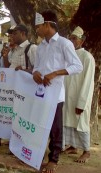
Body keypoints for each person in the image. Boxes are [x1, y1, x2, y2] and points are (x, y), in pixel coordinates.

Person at [33, 10, 83, 173]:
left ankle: (53, 159)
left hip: (56, 94)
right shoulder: (40, 47)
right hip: (40, 92)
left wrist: (55, 73)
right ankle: (38, 154)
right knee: (40, 125)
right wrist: (35, 74)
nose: (37, 30)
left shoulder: (64, 43)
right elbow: (36, 67)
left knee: (55, 128)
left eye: (38, 26)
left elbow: (77, 66)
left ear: (47, 25)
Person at [63, 26, 95, 163]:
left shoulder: (87, 57)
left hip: (80, 98)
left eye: (74, 38)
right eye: (70, 38)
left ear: (81, 41)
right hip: (67, 96)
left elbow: (88, 82)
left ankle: (87, 151)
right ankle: (73, 146)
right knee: (68, 122)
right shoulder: (69, 56)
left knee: (81, 124)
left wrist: (81, 103)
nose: (71, 41)